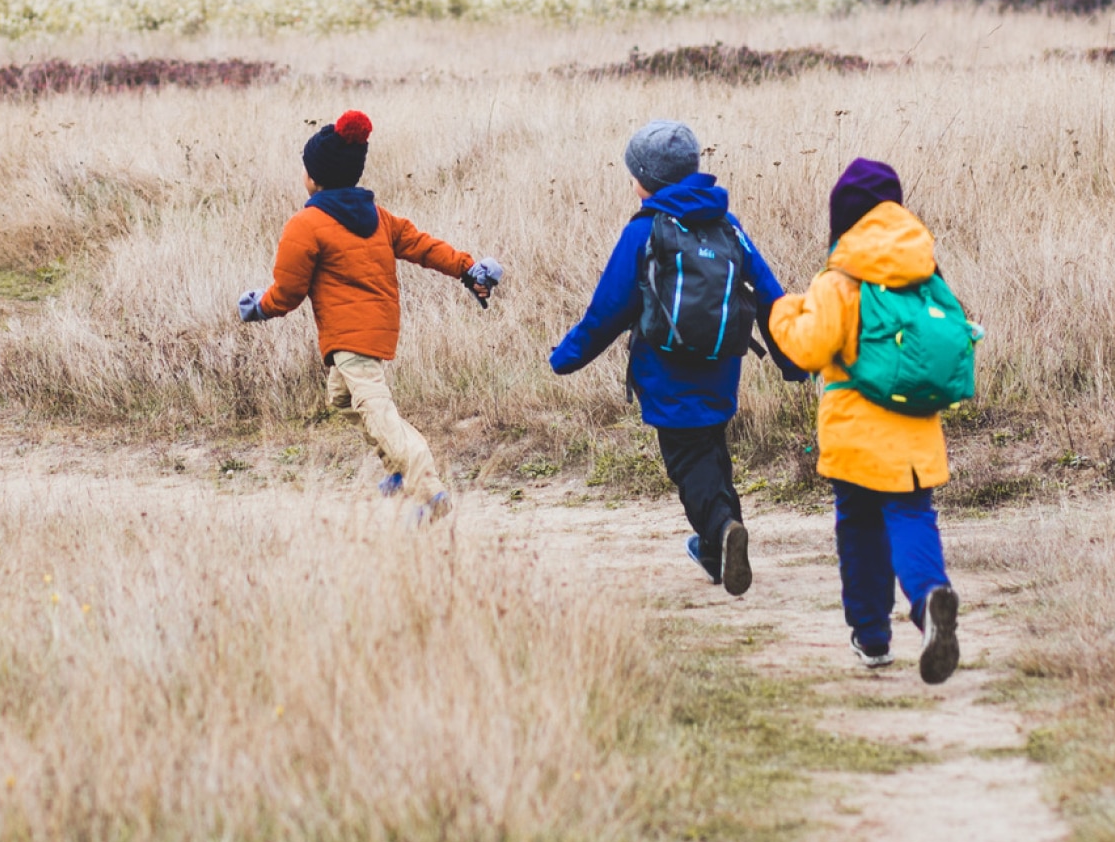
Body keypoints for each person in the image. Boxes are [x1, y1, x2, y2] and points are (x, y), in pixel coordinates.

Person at [550, 119, 804, 594]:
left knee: (689, 461)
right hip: (722, 364)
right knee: (711, 450)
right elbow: (771, 296)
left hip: (665, 369)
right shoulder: (728, 226)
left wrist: (564, 358)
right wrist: (793, 360)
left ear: (645, 179)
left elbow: (607, 310)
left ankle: (724, 529)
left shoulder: (645, 229)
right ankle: (718, 551)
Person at [238, 110, 501, 523]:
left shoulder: (305, 225)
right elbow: (425, 246)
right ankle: (398, 471)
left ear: (313, 177)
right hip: (375, 328)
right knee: (342, 399)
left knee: (378, 413)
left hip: (350, 336)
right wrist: (466, 268)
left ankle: (429, 491)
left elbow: (288, 292)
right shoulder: (380, 218)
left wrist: (260, 306)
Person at [770, 158, 962, 683]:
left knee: (859, 530)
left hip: (855, 438)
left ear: (842, 221)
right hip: (917, 430)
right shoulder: (926, 274)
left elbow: (809, 349)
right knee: (911, 517)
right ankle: (928, 602)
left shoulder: (839, 280)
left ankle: (873, 638)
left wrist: (783, 311)